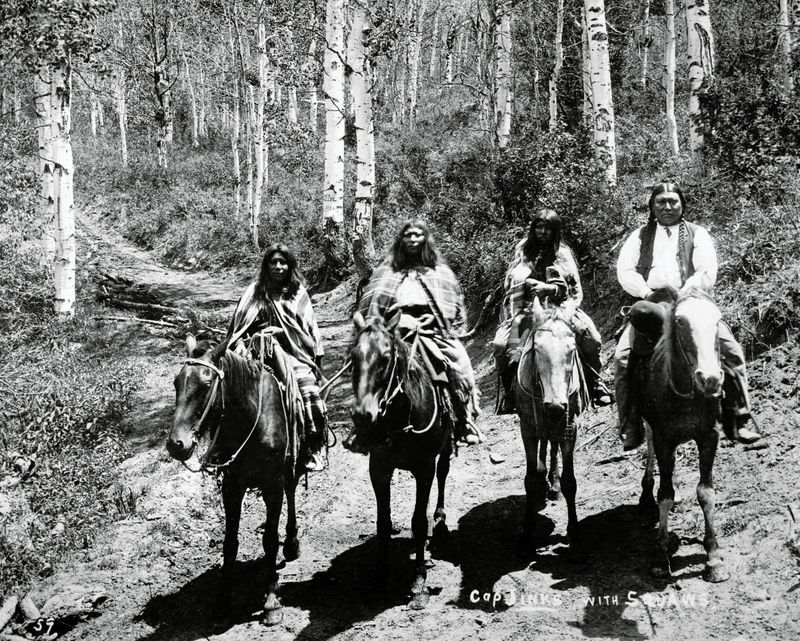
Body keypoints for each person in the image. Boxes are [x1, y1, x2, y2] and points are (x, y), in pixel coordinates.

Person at [614, 182, 761, 450]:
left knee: (731, 350)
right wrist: (645, 291)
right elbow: (625, 271)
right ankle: (631, 423)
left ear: (682, 205)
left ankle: (739, 417)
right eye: (661, 202)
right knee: (623, 356)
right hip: (653, 303)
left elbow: (707, 270)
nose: (667, 207)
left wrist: (686, 291)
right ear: (652, 206)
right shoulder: (639, 236)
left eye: (673, 201)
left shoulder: (698, 234)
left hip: (691, 299)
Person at [349, 219, 483, 449]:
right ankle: (361, 427)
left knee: (460, 364)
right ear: (401, 240)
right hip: (393, 330)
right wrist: (389, 321)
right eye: (408, 235)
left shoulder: (440, 271)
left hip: (431, 330)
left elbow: (449, 306)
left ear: (425, 240)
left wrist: (433, 318)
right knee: (367, 364)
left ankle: (463, 421)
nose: (413, 239)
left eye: (418, 235)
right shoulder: (387, 270)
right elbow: (374, 305)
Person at [492, 208, 612, 414]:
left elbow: (574, 289)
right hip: (529, 310)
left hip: (560, 309)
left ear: (555, 231)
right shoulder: (523, 249)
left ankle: (594, 382)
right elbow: (513, 281)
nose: (542, 232)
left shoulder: (562, 252)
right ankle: (511, 392)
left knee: (592, 337)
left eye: (548, 228)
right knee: (501, 344)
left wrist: (551, 289)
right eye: (538, 227)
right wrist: (528, 284)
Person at [226, 244, 328, 472]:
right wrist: (247, 341)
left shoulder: (297, 293)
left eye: (283, 262)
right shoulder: (253, 292)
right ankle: (220, 448)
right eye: (273, 262)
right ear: (266, 265)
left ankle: (311, 446)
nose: (278, 267)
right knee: (225, 387)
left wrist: (282, 333)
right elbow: (237, 328)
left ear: (290, 266)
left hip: (291, 353)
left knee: (307, 388)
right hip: (253, 352)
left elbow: (308, 330)